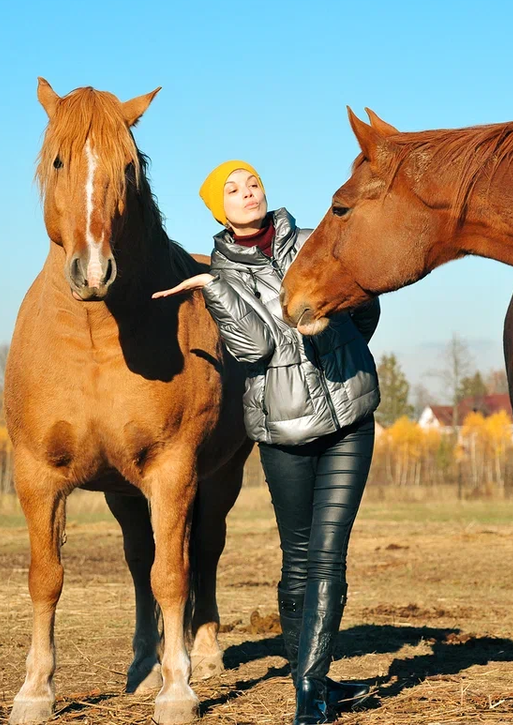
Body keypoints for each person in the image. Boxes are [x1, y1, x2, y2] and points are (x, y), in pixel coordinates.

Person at [153, 160, 381, 724]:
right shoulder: (221, 279)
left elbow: (365, 303)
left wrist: (339, 341)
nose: (246, 192)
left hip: (349, 414)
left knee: (328, 556)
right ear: (218, 209)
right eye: (231, 189)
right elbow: (253, 350)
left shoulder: (314, 241)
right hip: (282, 429)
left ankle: (307, 694)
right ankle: (317, 678)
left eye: (251, 182)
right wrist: (212, 288)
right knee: (297, 560)